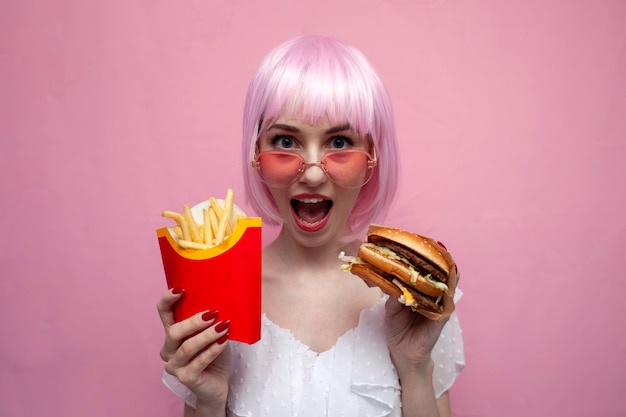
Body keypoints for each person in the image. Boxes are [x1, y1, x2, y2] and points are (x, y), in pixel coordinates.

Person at [157, 34, 464, 417]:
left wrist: (415, 369)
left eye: (339, 141)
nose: (315, 174)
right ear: (256, 155)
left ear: (372, 156)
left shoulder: (412, 297)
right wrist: (209, 400)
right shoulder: (219, 295)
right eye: (286, 140)